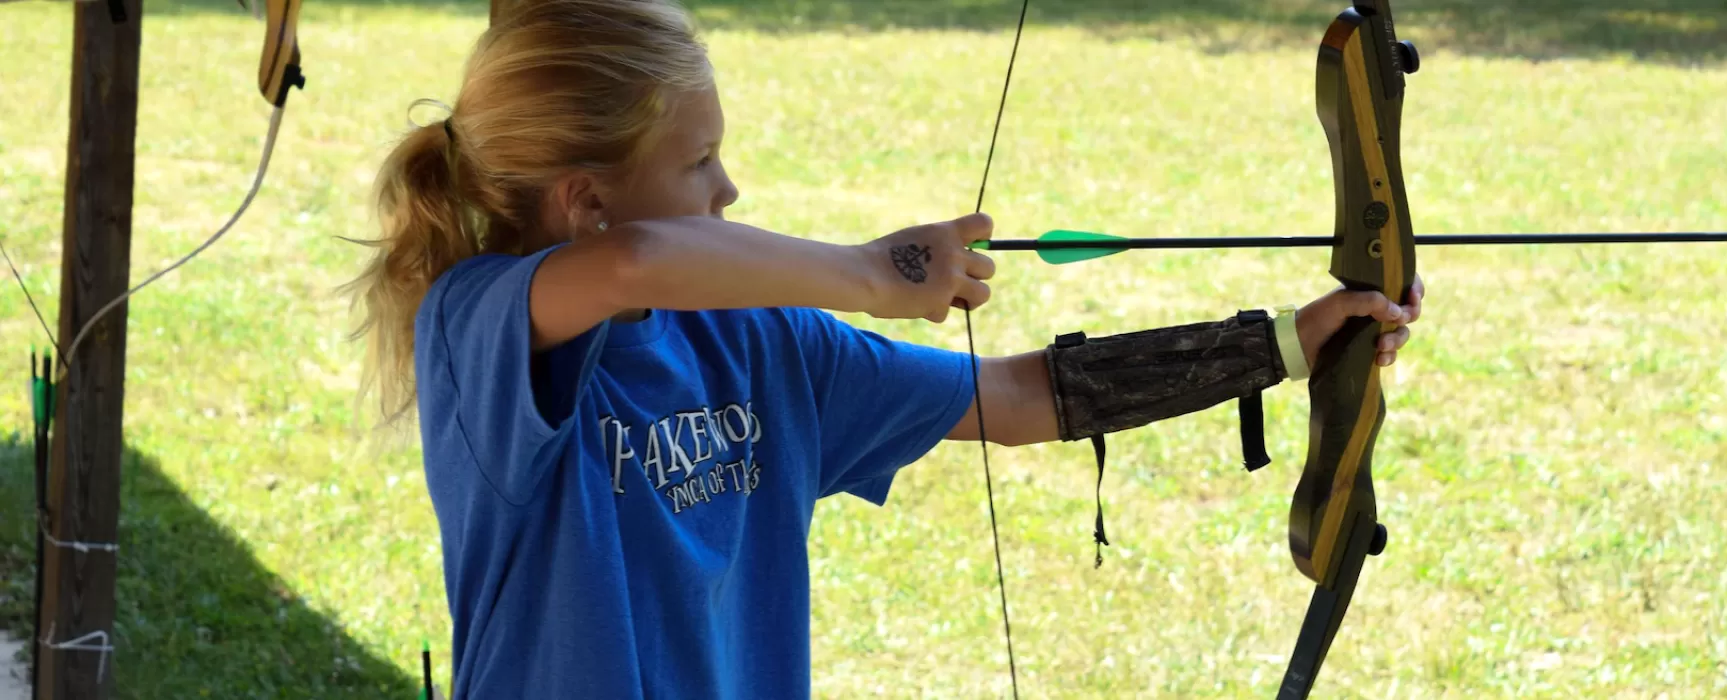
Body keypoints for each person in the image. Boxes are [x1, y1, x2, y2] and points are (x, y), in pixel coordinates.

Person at [345, 0, 1425, 697]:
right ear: (587, 201)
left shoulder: (755, 341)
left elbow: (1015, 397)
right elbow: (631, 266)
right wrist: (871, 274)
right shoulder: (476, 330)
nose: (729, 188)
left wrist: (1280, 345)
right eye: (699, 162)